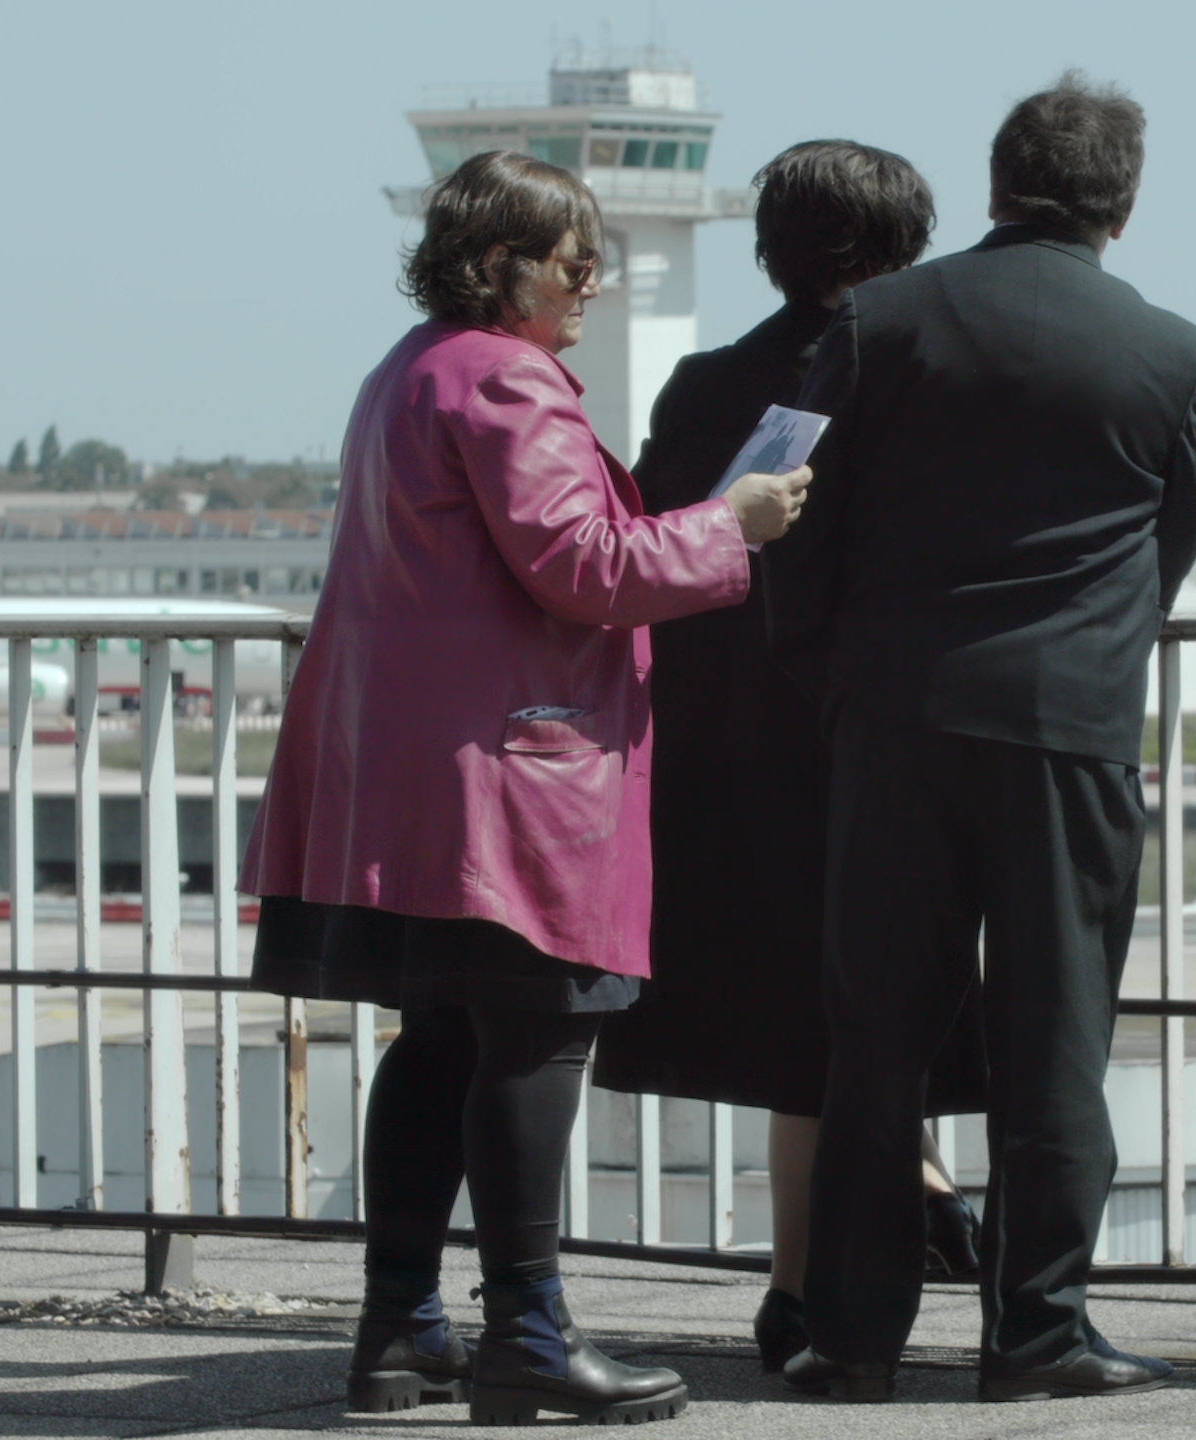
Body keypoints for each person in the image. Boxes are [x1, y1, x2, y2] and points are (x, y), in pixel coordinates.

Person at [241, 148, 811, 1427]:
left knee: (436, 1037)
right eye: (573, 263)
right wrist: (735, 523)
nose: (592, 284)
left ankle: (400, 1328)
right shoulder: (507, 378)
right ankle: (529, 1338)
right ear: (503, 265)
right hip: (509, 775)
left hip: (409, 766)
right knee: (533, 1035)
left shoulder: (409, 368)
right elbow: (586, 567)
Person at [763, 74, 1196, 1404]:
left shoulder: (879, 319)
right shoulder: (1171, 351)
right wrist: (1095, 654)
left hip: (895, 718)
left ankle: (853, 1337)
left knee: (876, 1039)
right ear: (1122, 208)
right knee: (1054, 1040)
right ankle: (1036, 1331)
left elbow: (795, 514)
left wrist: (829, 678)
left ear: (999, 182)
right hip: (1069, 728)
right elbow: (1174, 536)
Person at [589, 139, 991, 1373]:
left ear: (770, 247)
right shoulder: (927, 376)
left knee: (797, 1035)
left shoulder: (707, 382)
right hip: (885, 731)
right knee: (890, 1001)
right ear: (906, 248)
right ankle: (894, 1210)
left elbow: (661, 545)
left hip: (738, 746)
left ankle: (794, 1286)